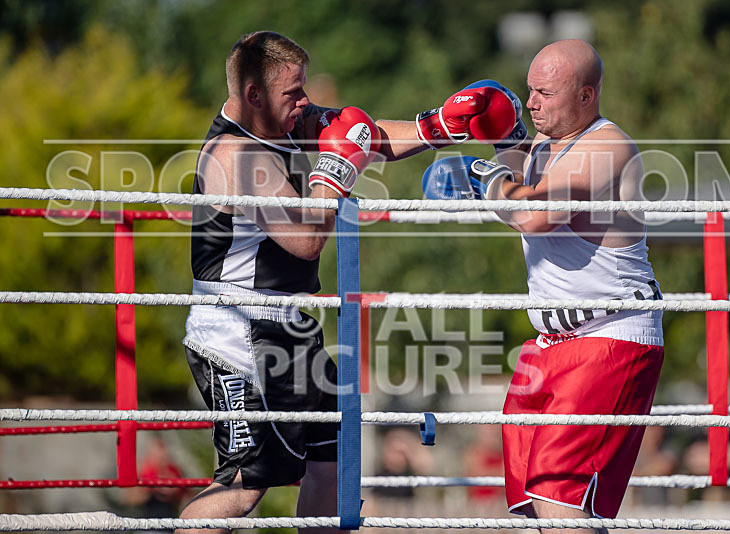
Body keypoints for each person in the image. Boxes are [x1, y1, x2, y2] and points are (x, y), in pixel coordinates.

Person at [180, 31, 516, 534]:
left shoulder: (279, 120)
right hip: (238, 334)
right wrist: (333, 173)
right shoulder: (238, 155)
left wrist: (440, 127)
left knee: (334, 457)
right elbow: (306, 240)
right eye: (294, 92)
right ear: (253, 94)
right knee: (245, 485)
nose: (305, 102)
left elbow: (361, 134)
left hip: (288, 326)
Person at [422, 40, 664, 534]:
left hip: (609, 335)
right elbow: (515, 192)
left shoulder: (605, 147)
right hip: (549, 343)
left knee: (557, 497)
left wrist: (485, 177)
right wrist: (503, 142)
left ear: (586, 95)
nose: (531, 102)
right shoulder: (543, 144)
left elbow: (534, 214)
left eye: (545, 93)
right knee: (532, 500)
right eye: (529, 90)